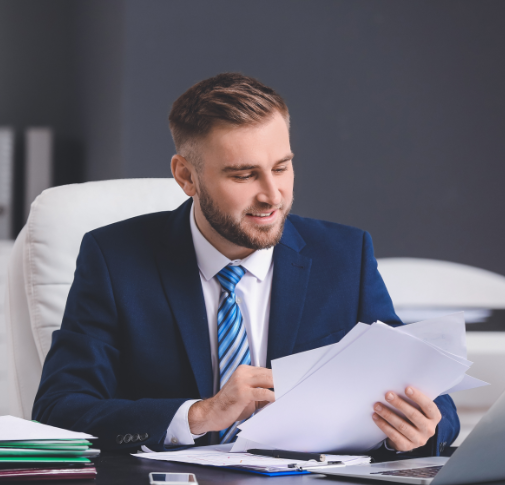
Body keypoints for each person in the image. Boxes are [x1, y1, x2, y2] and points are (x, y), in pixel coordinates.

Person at [33, 73, 460, 455]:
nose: (273, 195)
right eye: (244, 175)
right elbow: (59, 410)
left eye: (282, 167)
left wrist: (415, 428)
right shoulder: (114, 258)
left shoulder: (345, 255)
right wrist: (201, 414)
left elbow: (434, 400)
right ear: (186, 177)